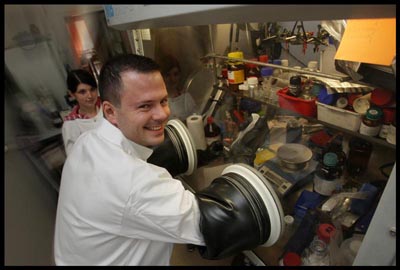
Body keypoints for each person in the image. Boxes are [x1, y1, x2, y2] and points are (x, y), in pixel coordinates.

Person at [54, 54, 205, 265]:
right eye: (145, 106)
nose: (162, 114)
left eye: (163, 101)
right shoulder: (131, 181)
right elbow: (211, 223)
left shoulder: (87, 142)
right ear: (110, 112)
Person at [61, 69, 103, 155]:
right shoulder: (71, 125)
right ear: (72, 94)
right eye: (82, 92)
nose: (90, 96)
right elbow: (75, 160)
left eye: (92, 89)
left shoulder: (108, 106)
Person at [158, 54, 198, 121]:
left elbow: (196, 121)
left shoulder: (186, 98)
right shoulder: (158, 102)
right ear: (161, 77)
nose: (172, 79)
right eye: (168, 75)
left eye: (175, 74)